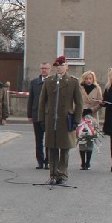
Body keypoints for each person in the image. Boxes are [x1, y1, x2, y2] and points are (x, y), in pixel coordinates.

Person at [37, 55, 83, 185]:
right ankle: (53, 174)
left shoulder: (73, 81)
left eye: (61, 65)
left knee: (64, 148)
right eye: (57, 66)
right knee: (52, 147)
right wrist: (41, 119)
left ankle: (62, 174)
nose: (59, 68)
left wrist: (76, 120)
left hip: (65, 119)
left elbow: (79, 103)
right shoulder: (49, 81)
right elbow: (42, 102)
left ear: (66, 67)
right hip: (52, 119)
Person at [27, 62, 51, 169]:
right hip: (37, 114)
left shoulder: (53, 82)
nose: (44, 70)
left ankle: (48, 161)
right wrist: (29, 114)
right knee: (38, 140)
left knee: (49, 140)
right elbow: (31, 99)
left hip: (49, 115)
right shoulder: (34, 82)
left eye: (46, 68)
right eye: (42, 68)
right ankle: (40, 161)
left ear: (49, 69)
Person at [78, 71, 103, 170]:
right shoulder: (80, 88)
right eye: (86, 79)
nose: (88, 80)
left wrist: (92, 109)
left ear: (93, 79)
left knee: (90, 139)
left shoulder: (97, 88)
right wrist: (80, 110)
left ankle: (88, 162)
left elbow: (100, 102)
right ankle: (82, 162)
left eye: (90, 79)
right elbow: (75, 101)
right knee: (81, 139)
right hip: (81, 116)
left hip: (92, 116)